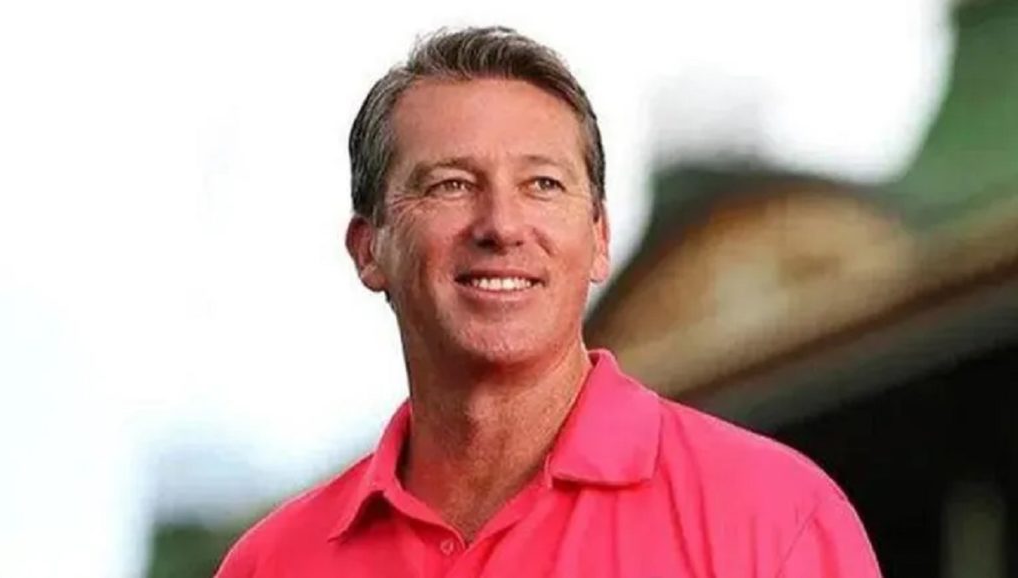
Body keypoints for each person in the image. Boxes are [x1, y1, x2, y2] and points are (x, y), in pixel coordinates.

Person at [215, 26, 882, 577]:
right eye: (451, 185)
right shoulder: (269, 565)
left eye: (542, 185)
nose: (502, 226)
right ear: (369, 250)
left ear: (599, 239)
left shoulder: (775, 521)